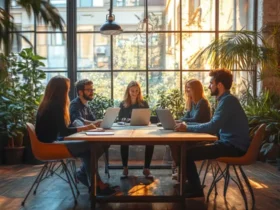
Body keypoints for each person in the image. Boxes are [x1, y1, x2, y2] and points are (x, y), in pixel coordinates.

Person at [35, 76, 118, 195]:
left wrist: (88, 126)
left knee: (90, 149)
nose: (68, 92)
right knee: (91, 147)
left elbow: (63, 130)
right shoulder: (56, 106)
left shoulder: (49, 104)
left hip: (48, 143)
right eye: (67, 89)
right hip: (50, 146)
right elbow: (64, 132)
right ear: (61, 90)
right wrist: (85, 128)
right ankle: (95, 184)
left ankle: (93, 183)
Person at [174, 68, 250, 198]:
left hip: (233, 147)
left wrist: (187, 127)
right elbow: (213, 124)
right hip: (228, 144)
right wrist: (186, 126)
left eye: (211, 83)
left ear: (219, 85)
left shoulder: (228, 101)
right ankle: (192, 185)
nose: (209, 86)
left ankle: (196, 188)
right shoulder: (226, 100)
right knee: (185, 150)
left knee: (185, 153)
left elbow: (212, 127)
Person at [171, 79, 211, 179]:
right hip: (193, 132)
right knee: (173, 143)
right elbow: (187, 116)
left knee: (178, 145)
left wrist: (180, 121)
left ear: (196, 89)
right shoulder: (192, 102)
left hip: (201, 134)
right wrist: (178, 121)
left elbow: (195, 119)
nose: (187, 90)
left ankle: (182, 172)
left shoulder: (202, 102)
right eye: (187, 88)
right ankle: (181, 171)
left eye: (189, 88)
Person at [118, 81, 154, 177]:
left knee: (151, 142)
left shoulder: (143, 103)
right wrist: (127, 121)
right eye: (132, 91)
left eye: (136, 91)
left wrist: (147, 121)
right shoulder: (123, 104)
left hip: (141, 129)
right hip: (127, 129)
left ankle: (146, 168)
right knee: (123, 141)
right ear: (128, 91)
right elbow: (120, 119)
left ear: (139, 92)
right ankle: (125, 167)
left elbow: (147, 117)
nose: (134, 93)